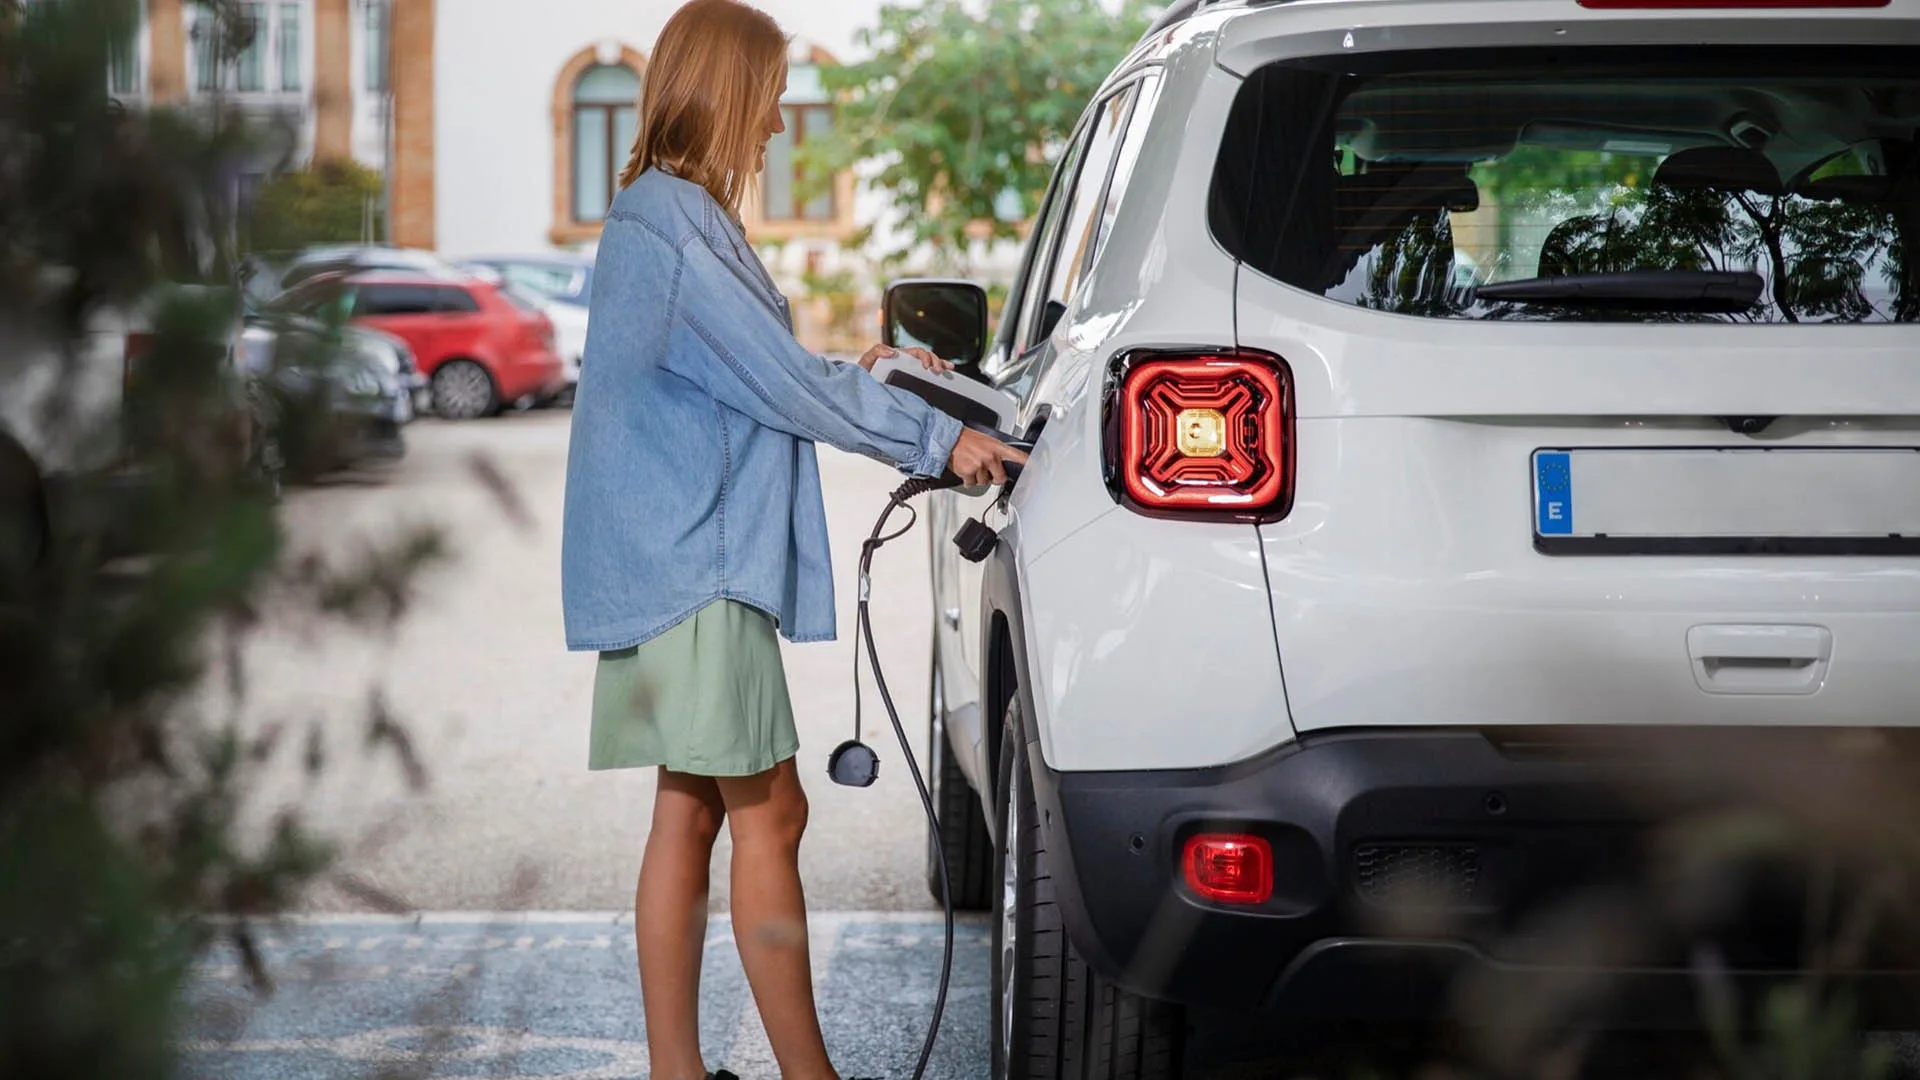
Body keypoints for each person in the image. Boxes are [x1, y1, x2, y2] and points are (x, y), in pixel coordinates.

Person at [560, 3, 1027, 1079]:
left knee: (689, 816)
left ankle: (680, 1074)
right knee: (772, 810)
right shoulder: (676, 225)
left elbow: (747, 371)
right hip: (697, 576)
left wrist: (861, 378)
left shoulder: (659, 215)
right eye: (767, 95)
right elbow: (779, 386)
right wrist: (936, 434)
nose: (775, 121)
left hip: (670, 567)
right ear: (726, 89)